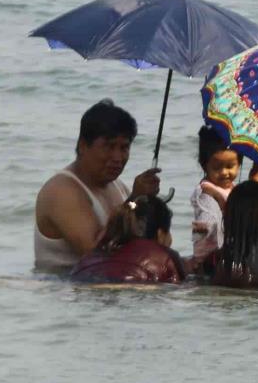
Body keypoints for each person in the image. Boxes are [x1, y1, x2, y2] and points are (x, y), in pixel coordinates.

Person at [33, 99, 162, 271]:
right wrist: (135, 200)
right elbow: (95, 253)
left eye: (124, 148)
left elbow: (134, 242)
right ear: (83, 146)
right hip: (66, 290)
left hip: (109, 284)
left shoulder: (117, 186)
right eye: (109, 147)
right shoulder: (62, 191)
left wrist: (148, 206)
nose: (117, 157)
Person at [69, 196, 185, 284]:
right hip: (137, 285)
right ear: (160, 234)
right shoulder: (165, 256)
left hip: (84, 279)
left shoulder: (90, 255)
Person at [189, 127, 240, 262]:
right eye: (217, 167)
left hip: (224, 252)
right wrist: (199, 258)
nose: (224, 172)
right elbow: (202, 227)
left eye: (230, 166)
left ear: (239, 164)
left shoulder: (233, 189)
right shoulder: (204, 193)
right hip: (208, 257)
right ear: (204, 166)